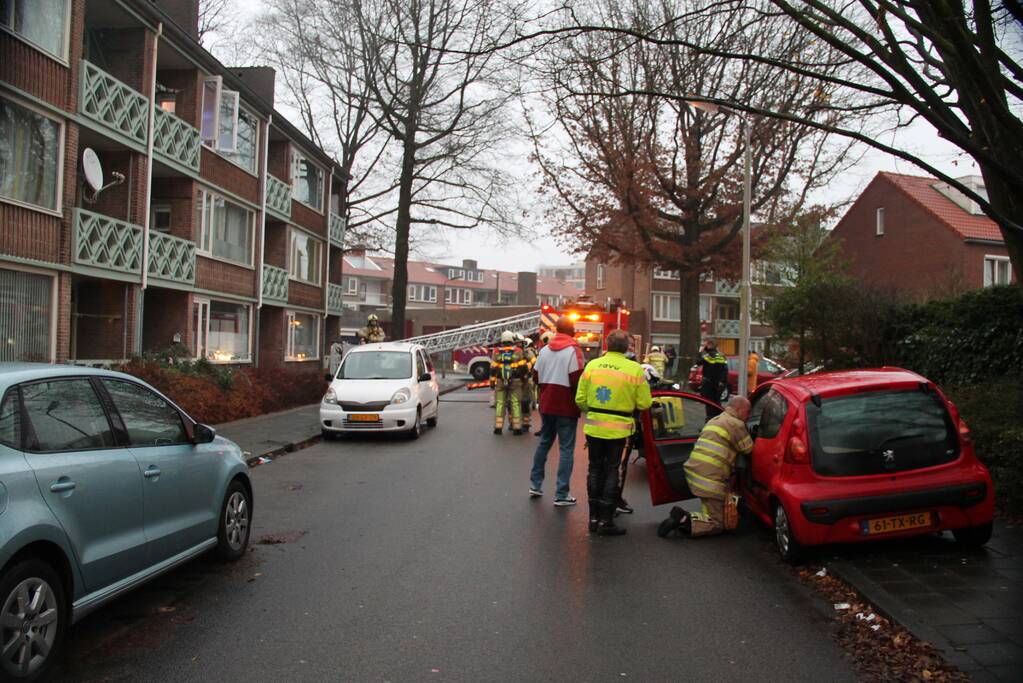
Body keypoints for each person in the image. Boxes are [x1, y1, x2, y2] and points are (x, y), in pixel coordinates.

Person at [575, 329, 652, 536]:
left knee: (594, 469)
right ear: (627, 347)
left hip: (594, 426)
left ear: (607, 346)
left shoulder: (592, 366)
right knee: (611, 470)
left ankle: (592, 518)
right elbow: (645, 403)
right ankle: (606, 521)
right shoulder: (634, 370)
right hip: (619, 430)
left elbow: (580, 399)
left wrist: (594, 411)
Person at [657, 396, 754, 538]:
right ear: (738, 409)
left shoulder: (716, 420)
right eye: (748, 411)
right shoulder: (735, 424)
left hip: (695, 473)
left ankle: (702, 515)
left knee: (711, 507)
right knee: (717, 524)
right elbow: (749, 449)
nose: (749, 416)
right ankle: (683, 519)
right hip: (710, 481)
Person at [529, 316, 584, 506]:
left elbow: (535, 376)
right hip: (566, 406)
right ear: (572, 331)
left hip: (547, 404)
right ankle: (561, 494)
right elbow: (577, 379)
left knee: (544, 442)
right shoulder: (573, 350)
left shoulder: (544, 350)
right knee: (566, 449)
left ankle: (535, 485)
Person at [491, 330, 528, 435]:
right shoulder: (518, 351)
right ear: (512, 339)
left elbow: (493, 368)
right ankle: (517, 428)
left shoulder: (496, 351)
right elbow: (523, 367)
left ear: (502, 340)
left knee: (500, 404)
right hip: (515, 381)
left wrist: (492, 382)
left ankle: (498, 427)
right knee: (515, 403)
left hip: (500, 381)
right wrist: (524, 380)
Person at [696, 338, 728, 417]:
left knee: (709, 403)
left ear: (710, 345)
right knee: (717, 403)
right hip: (718, 384)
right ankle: (718, 420)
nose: (705, 346)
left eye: (706, 345)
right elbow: (725, 370)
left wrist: (700, 351)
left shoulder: (709, 356)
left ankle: (709, 421)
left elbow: (698, 362)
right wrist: (722, 382)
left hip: (709, 384)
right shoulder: (721, 356)